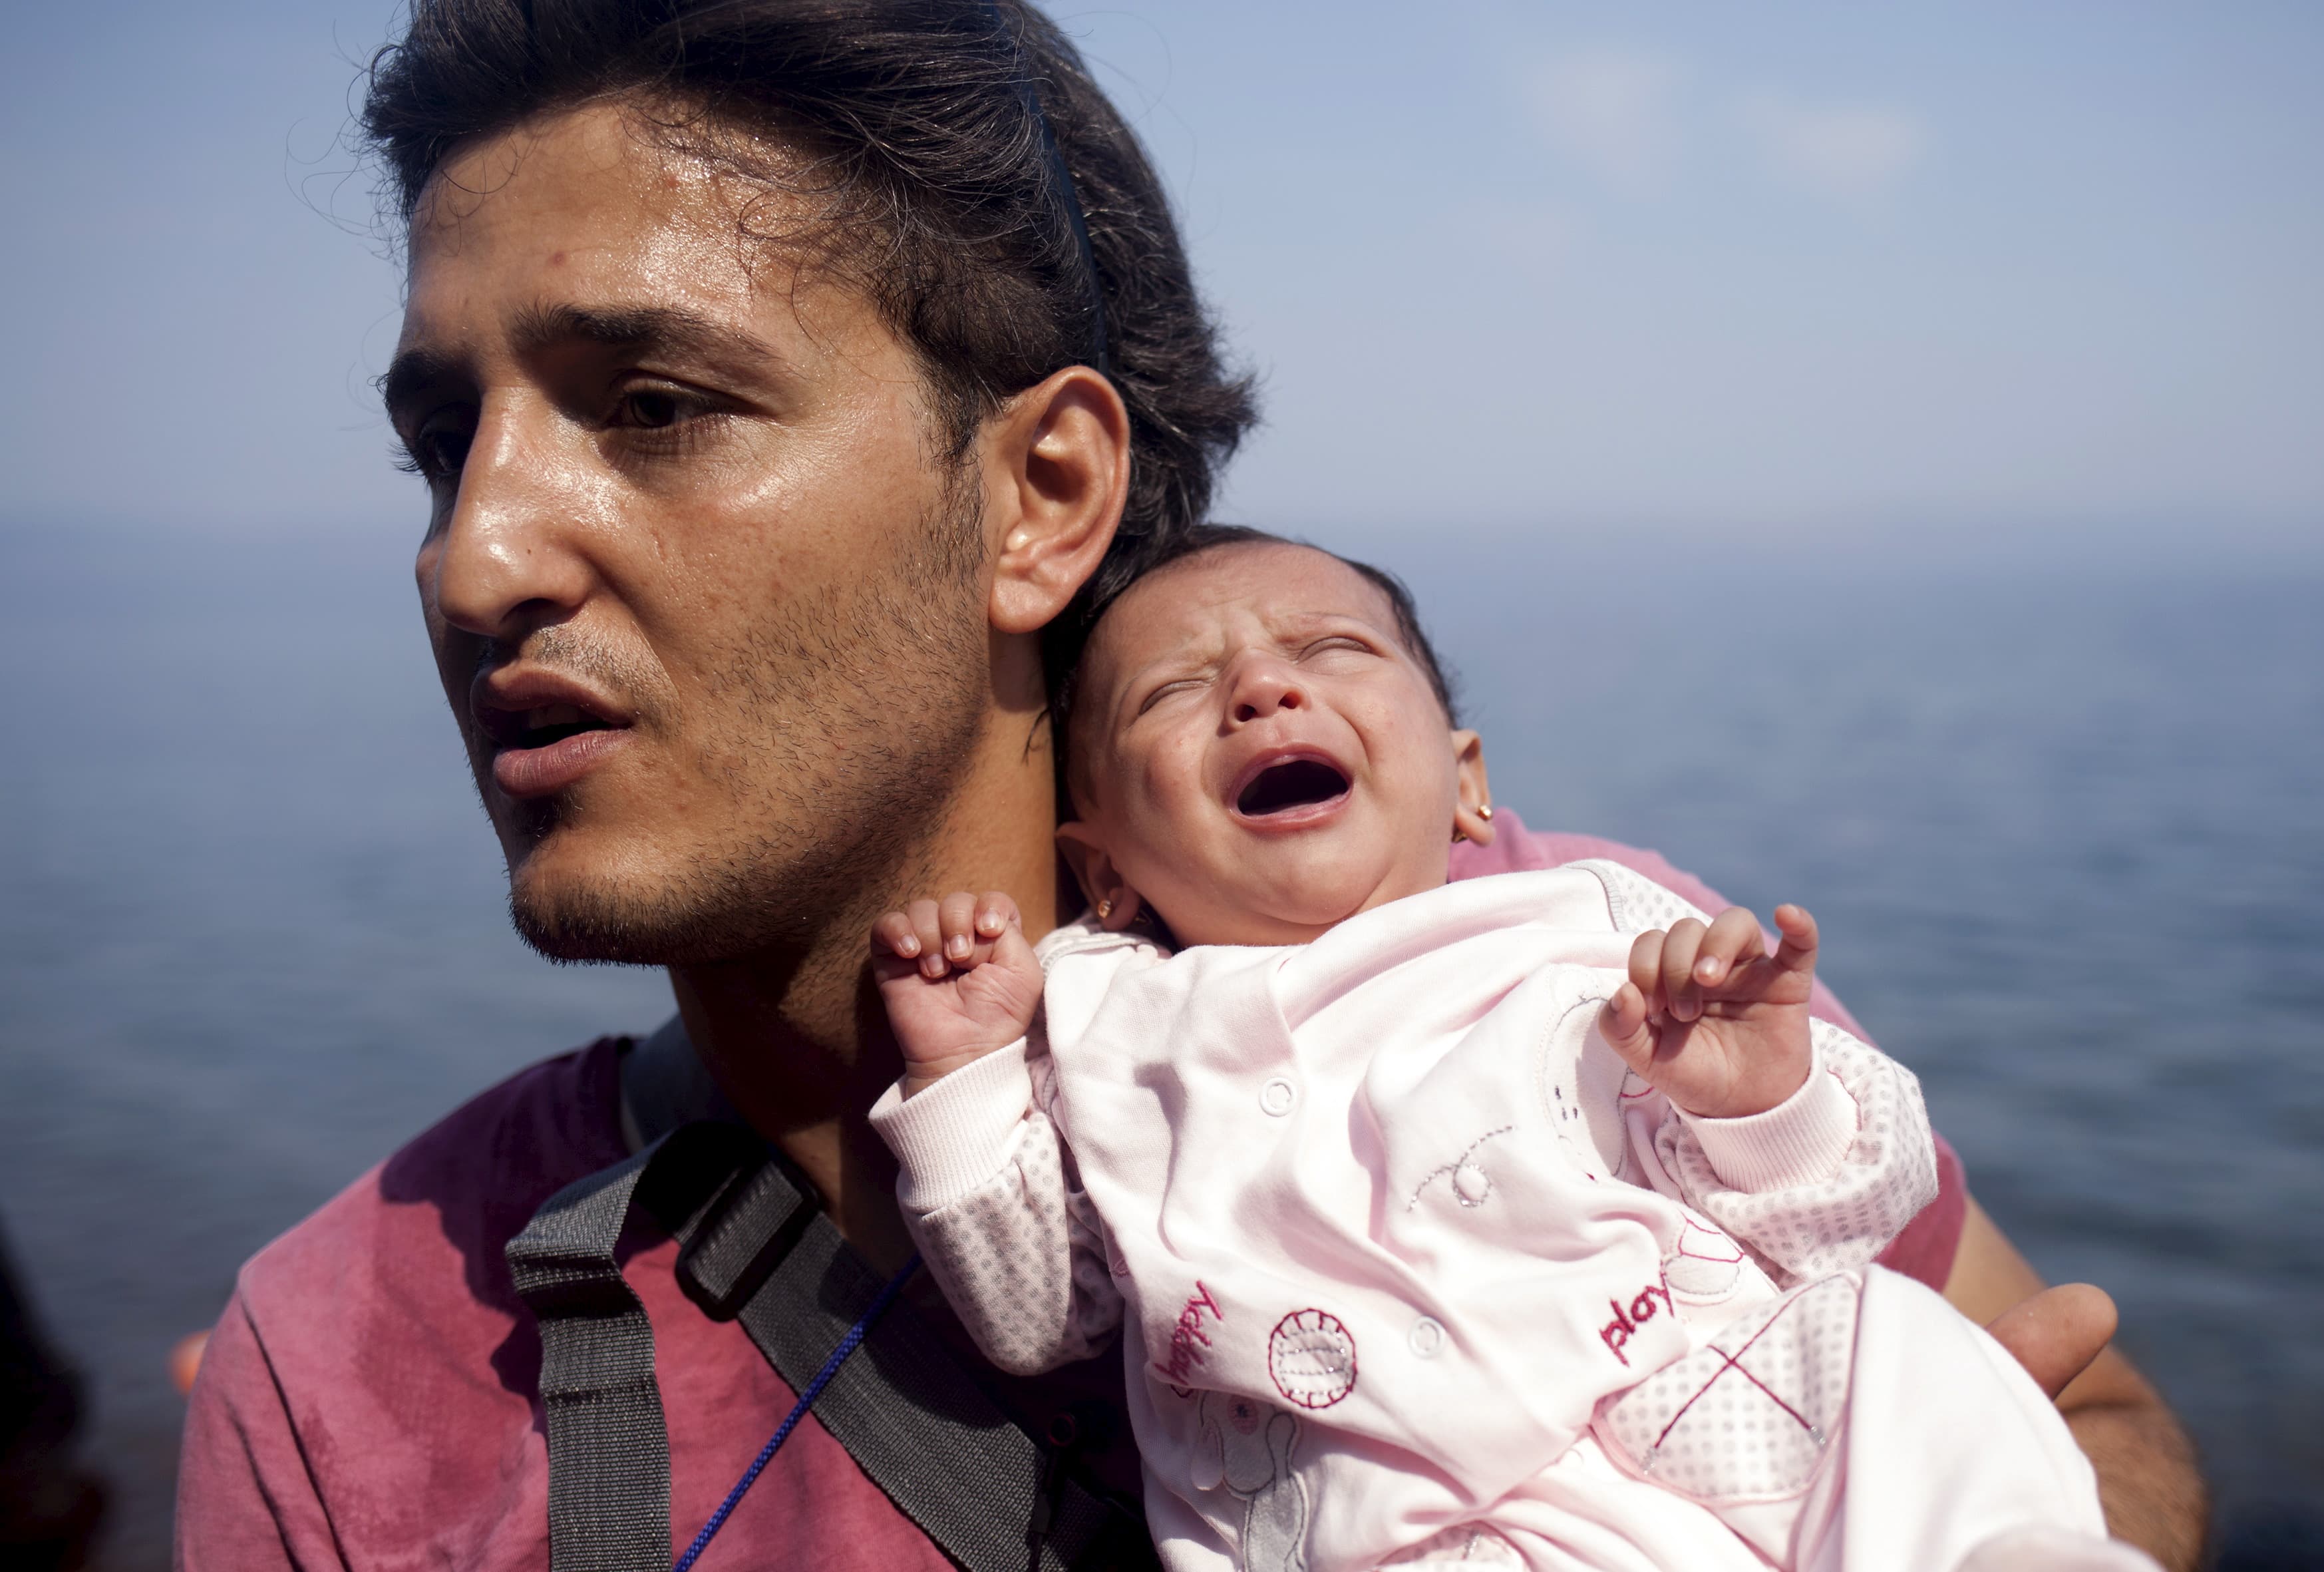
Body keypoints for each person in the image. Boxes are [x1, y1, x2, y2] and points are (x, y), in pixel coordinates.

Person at [172, 2, 2205, 1568]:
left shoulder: (1568, 966)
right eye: (445, 440)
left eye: (658, 406)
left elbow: (2098, 1431)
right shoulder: (350, 1360)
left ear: (1043, 494)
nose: (473, 552)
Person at [866, 532, 2156, 1571]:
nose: (1263, 687)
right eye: (1174, 691)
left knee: (1894, 1343)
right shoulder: (1111, 1023)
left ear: (1467, 780)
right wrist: (966, 1080)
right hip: (1378, 1513)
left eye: (1329, 647)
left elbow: (1840, 1220)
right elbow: (1043, 1307)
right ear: (1100, 870)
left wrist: (1757, 1102)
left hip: (1687, 1390)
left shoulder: (1589, 930)